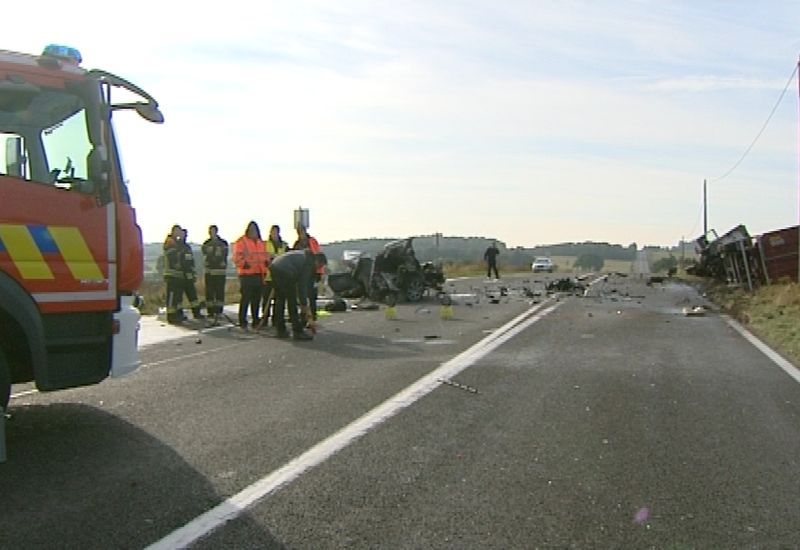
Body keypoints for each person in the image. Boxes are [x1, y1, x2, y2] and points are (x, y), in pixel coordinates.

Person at [269, 249, 327, 340]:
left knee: (280, 299)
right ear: (317, 261)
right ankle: (297, 331)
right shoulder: (308, 263)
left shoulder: (303, 256)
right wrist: (304, 305)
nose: (317, 268)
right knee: (291, 300)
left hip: (275, 265)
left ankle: (280, 329)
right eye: (320, 266)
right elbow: (302, 287)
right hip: (285, 270)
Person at [232, 221, 267, 330]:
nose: (253, 232)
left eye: (255, 230)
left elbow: (264, 256)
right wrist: (244, 264)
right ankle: (242, 320)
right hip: (246, 275)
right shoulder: (242, 242)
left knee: (256, 299)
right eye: (252, 230)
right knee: (246, 298)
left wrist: (266, 266)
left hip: (258, 274)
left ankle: (255, 320)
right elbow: (237, 257)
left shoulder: (260, 243)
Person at [292, 224, 323, 322]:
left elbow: (318, 256)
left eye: (301, 231)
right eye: (298, 232)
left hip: (311, 272)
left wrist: (319, 272)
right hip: (301, 273)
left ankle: (313, 315)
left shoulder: (312, 241)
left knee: (311, 295)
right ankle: (304, 316)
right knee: (302, 296)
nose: (300, 233)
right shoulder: (297, 244)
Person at [262, 224, 288, 328]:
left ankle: (276, 319)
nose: (274, 234)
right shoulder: (265, 244)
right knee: (266, 299)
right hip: (268, 275)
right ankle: (264, 319)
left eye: (276, 232)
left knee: (278, 300)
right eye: (273, 232)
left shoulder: (283, 245)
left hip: (280, 276)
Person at [202, 225, 228, 326]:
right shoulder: (206, 243)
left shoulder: (223, 243)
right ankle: (210, 311)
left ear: (216, 231)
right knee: (209, 291)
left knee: (219, 291)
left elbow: (224, 255)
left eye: (213, 231)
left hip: (220, 271)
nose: (211, 232)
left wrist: (214, 256)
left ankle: (219, 311)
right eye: (210, 231)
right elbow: (205, 255)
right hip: (209, 271)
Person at [163, 224, 186, 324]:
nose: (179, 234)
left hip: (178, 274)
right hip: (171, 274)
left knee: (178, 296)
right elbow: (173, 256)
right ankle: (171, 316)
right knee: (172, 296)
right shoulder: (170, 242)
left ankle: (178, 314)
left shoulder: (177, 242)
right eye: (177, 231)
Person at [180, 228, 204, 320]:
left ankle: (196, 313)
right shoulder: (177, 246)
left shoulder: (187, 247)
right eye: (183, 235)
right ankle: (180, 314)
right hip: (181, 276)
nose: (185, 237)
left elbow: (191, 262)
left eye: (186, 235)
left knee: (193, 296)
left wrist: (193, 274)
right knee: (179, 297)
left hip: (189, 275)